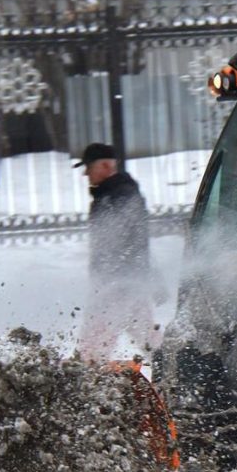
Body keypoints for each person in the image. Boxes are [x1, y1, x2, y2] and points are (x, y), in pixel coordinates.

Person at [75, 142, 158, 364]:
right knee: (150, 341)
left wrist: (110, 281)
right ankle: (176, 368)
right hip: (129, 282)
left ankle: (86, 378)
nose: (85, 174)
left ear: (104, 166)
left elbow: (124, 241)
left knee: (91, 348)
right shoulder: (114, 193)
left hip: (118, 285)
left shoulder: (118, 196)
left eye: (88, 167)